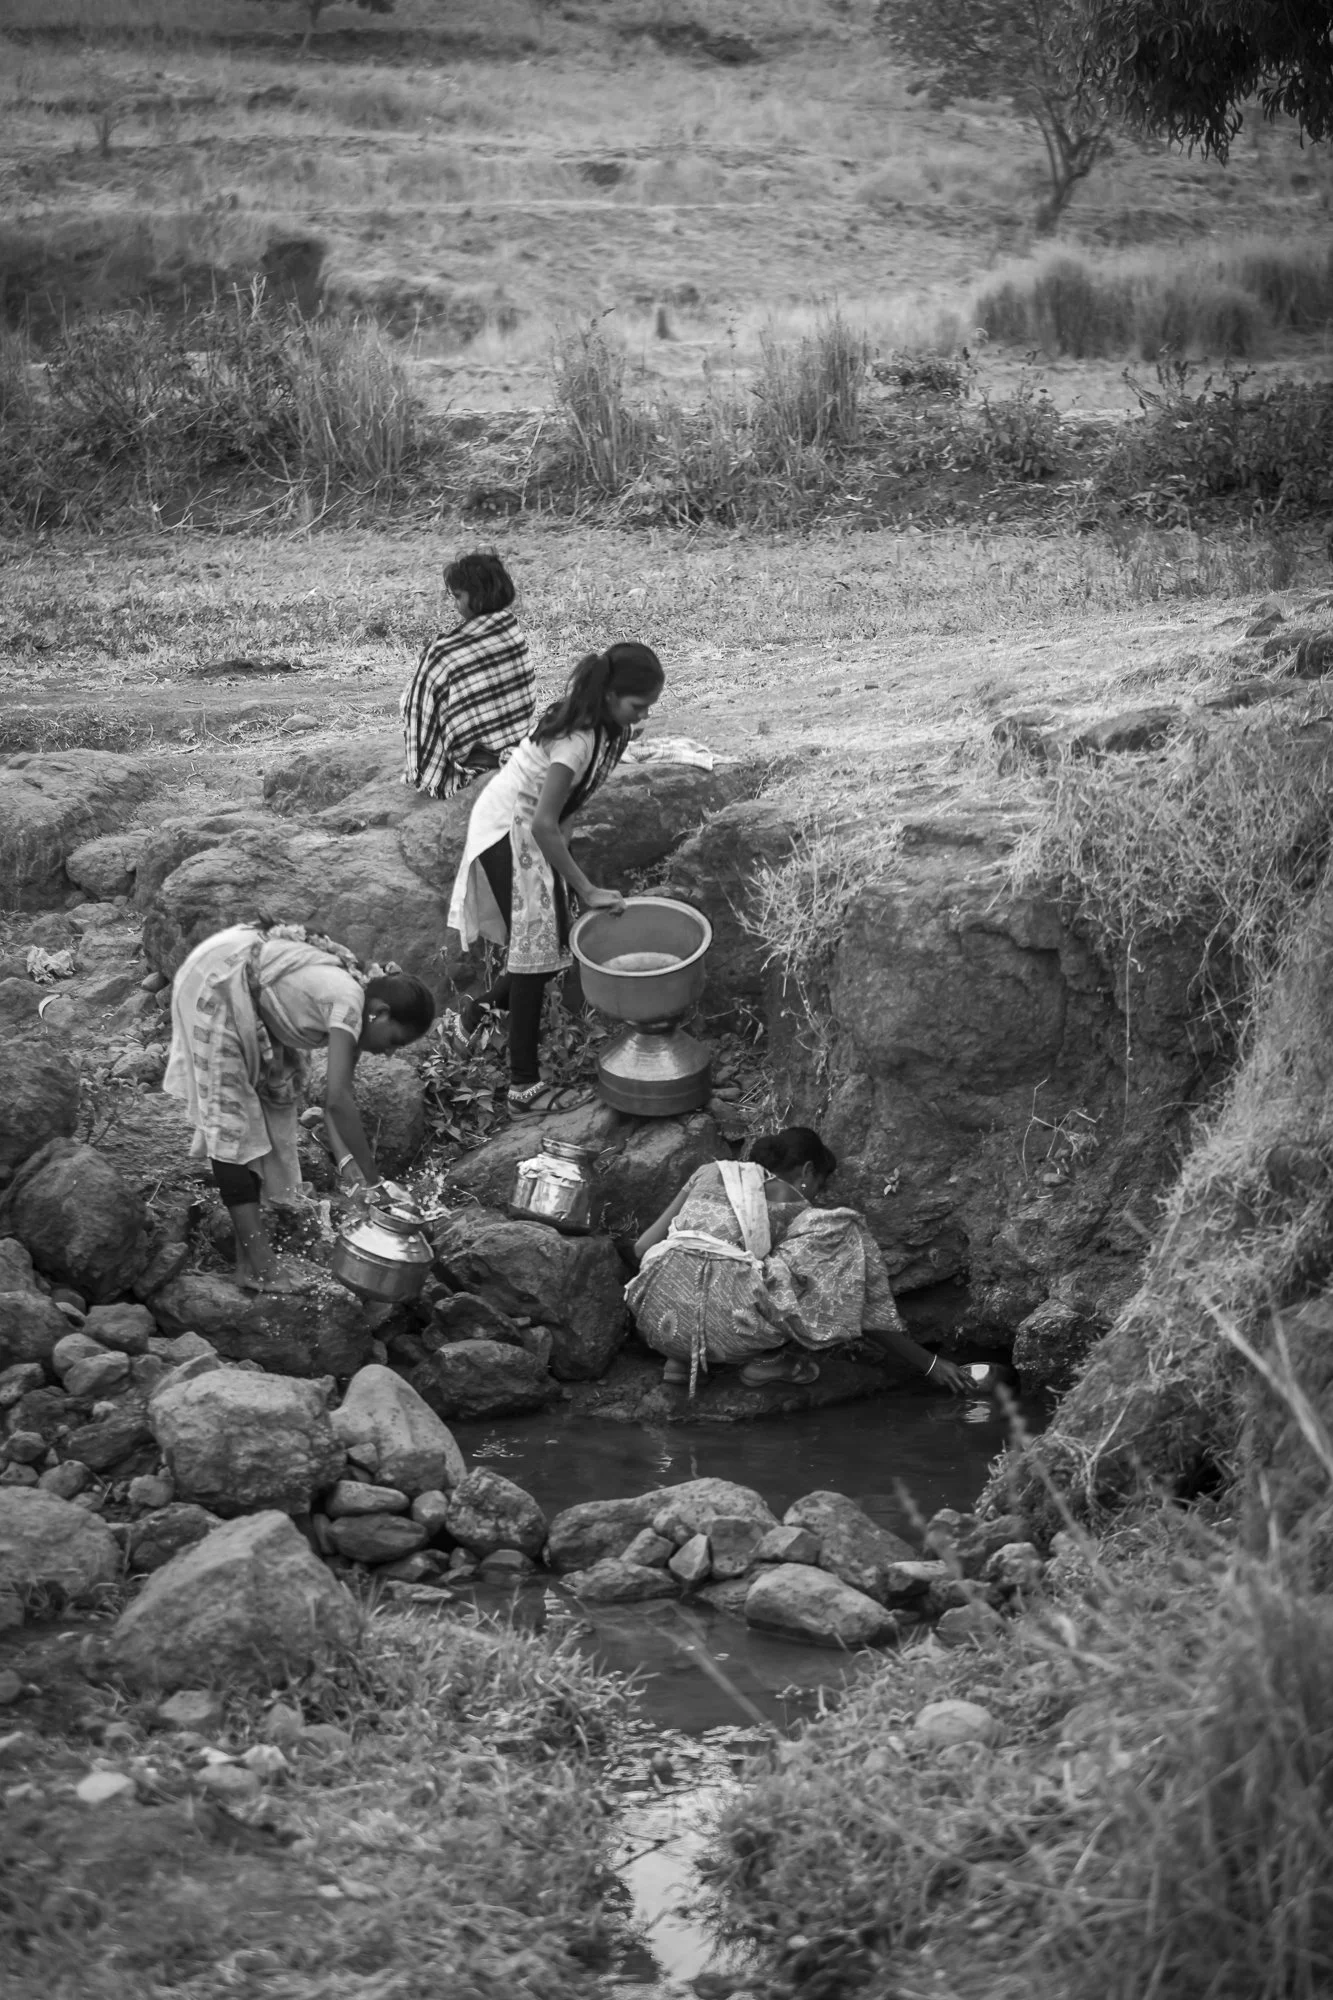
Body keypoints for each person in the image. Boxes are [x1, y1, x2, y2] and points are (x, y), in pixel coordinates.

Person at [447, 641, 665, 1117]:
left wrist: (563, 875)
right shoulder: (577, 739)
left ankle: (478, 1012)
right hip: (505, 830)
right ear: (610, 694)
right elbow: (544, 822)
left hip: (533, 833)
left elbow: (563, 812)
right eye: (637, 705)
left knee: (549, 948)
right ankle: (522, 1084)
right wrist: (584, 888)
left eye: (648, 707)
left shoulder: (610, 730)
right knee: (534, 957)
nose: (641, 714)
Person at [164, 922, 436, 1293]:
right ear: (381, 1013)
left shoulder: (360, 1005)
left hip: (252, 1003)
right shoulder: (349, 1001)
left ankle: (251, 1261)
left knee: (268, 1118)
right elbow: (338, 1100)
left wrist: (349, 1169)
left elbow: (332, 1107)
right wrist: (374, 1183)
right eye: (394, 1040)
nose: (389, 1052)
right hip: (219, 991)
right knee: (232, 1133)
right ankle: (261, 1268)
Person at [626, 1126, 973, 1395]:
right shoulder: (797, 1210)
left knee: (700, 1264)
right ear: (807, 1171)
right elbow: (856, 1302)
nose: (819, 1196)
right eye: (820, 1183)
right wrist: (930, 1365)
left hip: (656, 1322)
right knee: (800, 1267)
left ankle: (682, 1356)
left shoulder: (709, 1171)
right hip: (726, 1336)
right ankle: (764, 1362)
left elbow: (643, 1248)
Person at [400, 550, 534, 800]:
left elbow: (419, 703)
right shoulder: (510, 630)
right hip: (516, 741)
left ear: (480, 595)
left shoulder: (445, 652)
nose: (455, 605)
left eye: (458, 596)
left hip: (475, 756)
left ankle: (439, 762)